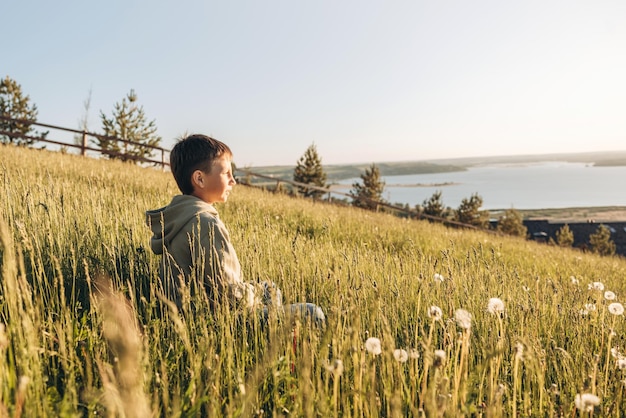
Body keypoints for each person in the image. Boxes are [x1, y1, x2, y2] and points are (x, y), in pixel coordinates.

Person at [145, 134, 324, 324]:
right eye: (226, 173)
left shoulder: (179, 217)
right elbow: (229, 294)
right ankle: (271, 336)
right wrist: (252, 292)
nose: (233, 181)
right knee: (312, 313)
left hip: (188, 313)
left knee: (269, 288)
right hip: (213, 321)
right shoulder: (205, 223)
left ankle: (274, 330)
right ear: (200, 179)